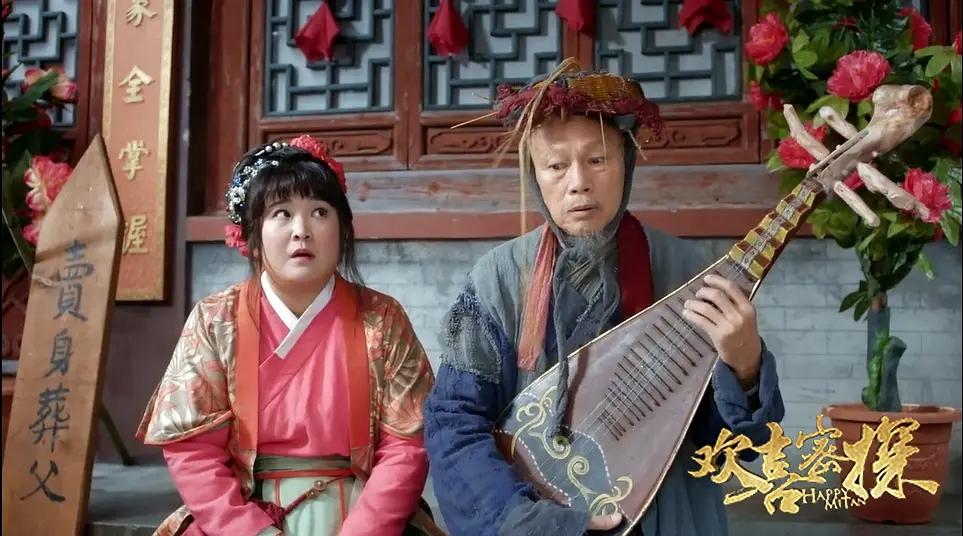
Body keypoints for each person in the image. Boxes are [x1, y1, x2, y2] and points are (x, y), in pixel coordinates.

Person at [422, 59, 785, 535]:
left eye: (597, 160)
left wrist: (746, 368)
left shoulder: (689, 273)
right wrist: (532, 522)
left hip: (670, 514)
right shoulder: (497, 279)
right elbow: (454, 423)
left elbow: (729, 453)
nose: (579, 182)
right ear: (535, 175)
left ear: (626, 163)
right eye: (556, 165)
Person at [137, 136, 441, 536]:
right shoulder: (216, 320)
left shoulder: (382, 319)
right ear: (252, 235)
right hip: (241, 513)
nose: (302, 231)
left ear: (342, 230)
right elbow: (194, 452)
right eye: (281, 213)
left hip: (364, 512)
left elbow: (406, 446)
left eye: (319, 212)